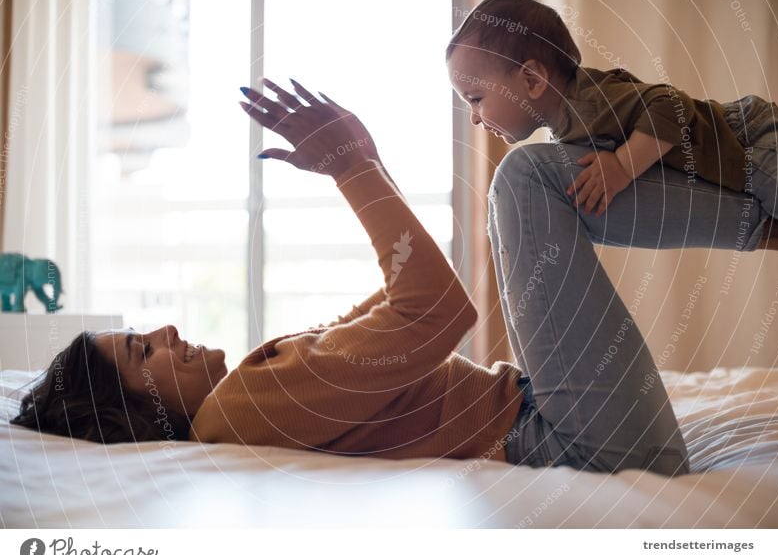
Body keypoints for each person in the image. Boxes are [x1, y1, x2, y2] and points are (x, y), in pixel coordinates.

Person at [13, 77, 691, 476]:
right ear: (135, 413)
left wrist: (364, 160)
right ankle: (759, 215)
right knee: (524, 181)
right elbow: (440, 310)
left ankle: (757, 213)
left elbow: (414, 301)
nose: (163, 329)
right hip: (581, 438)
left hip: (566, 418)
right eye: (141, 351)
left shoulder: (249, 396)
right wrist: (349, 169)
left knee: (529, 189)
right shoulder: (239, 407)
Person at [447, 0, 778, 245]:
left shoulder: (590, 102)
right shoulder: (564, 125)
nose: (475, 118)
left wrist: (622, 165)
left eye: (476, 100)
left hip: (750, 140)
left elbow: (671, 105)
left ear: (532, 80)